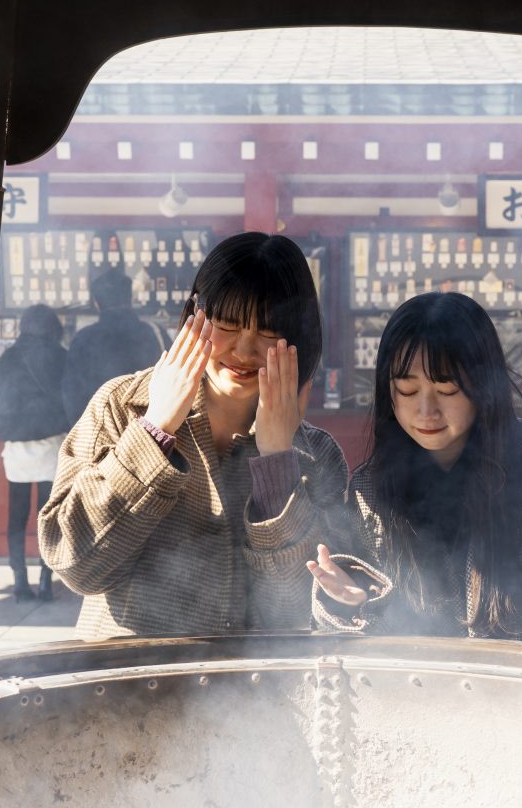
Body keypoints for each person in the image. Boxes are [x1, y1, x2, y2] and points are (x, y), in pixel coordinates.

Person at [38, 232, 348, 640]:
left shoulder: (316, 454)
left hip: (248, 695)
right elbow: (74, 563)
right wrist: (154, 431)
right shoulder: (121, 405)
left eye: (268, 331)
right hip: (128, 684)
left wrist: (276, 463)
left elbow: (297, 610)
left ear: (299, 339)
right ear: (194, 316)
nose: (244, 349)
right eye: (228, 324)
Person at [308, 291, 522, 652]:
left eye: (446, 388)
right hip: (435, 697)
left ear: (484, 388)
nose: (426, 411)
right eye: (407, 390)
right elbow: (378, 647)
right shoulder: (372, 487)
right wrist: (357, 600)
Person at [0, 304, 69, 601]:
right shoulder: (60, 356)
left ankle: (20, 582)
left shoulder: (9, 357)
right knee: (47, 516)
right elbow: (69, 393)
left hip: (18, 449)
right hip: (52, 444)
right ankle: (47, 581)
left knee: (17, 517)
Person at [61, 266, 163, 427]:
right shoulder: (156, 333)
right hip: (151, 432)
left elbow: (72, 396)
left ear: (96, 303)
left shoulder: (83, 340)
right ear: (130, 298)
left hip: (102, 433)